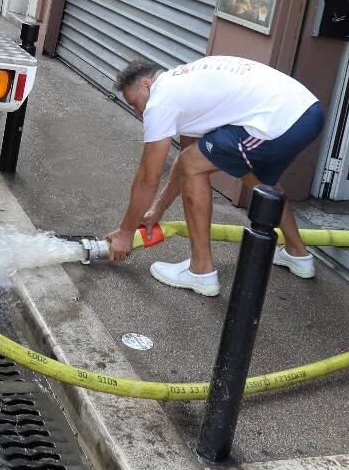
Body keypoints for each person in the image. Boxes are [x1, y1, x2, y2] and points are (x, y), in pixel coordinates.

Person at [108, 57, 326, 296]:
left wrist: (126, 232)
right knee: (258, 180)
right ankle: (298, 254)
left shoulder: (161, 100)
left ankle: (201, 271)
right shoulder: (186, 84)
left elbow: (147, 178)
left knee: (194, 163)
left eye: (135, 104)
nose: (139, 113)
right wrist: (157, 210)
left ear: (147, 85)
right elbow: (185, 158)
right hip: (307, 112)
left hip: (281, 119)